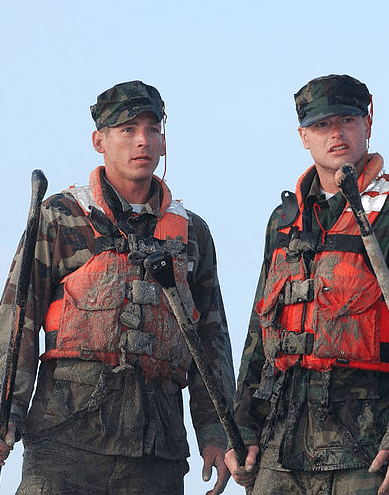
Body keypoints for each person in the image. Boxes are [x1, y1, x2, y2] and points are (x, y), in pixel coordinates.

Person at [0, 80, 235, 494]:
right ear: (99, 140)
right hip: (64, 445)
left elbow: (211, 339)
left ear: (163, 140)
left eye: (153, 129)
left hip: (156, 452)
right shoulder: (61, 216)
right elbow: (18, 319)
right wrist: (5, 413)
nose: (142, 140)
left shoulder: (192, 234)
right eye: (127, 129)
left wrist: (216, 432)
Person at [225, 74, 389, 495]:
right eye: (321, 126)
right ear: (303, 136)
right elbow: (260, 333)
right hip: (281, 448)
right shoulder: (284, 222)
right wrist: (243, 427)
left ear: (368, 122)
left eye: (348, 120)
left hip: (368, 451)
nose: (336, 134)